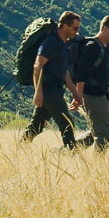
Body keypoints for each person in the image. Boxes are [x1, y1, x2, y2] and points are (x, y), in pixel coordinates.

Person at [23, 11, 84, 148]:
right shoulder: (51, 42)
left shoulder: (63, 44)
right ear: (65, 26)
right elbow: (38, 65)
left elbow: (64, 73)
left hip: (53, 91)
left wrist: (75, 93)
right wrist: (38, 92)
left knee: (37, 125)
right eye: (75, 28)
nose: (77, 31)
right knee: (67, 124)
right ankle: (71, 154)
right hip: (49, 92)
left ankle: (20, 147)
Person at [72, 15, 109, 150]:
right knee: (106, 132)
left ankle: (64, 152)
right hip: (92, 95)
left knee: (96, 132)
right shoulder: (92, 47)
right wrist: (78, 95)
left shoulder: (105, 47)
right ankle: (98, 165)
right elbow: (81, 73)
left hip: (101, 95)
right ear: (105, 29)